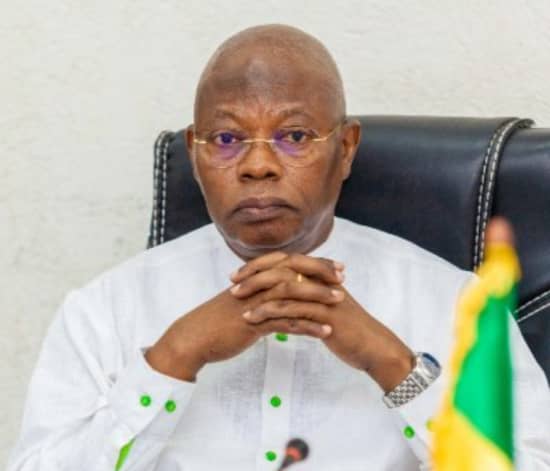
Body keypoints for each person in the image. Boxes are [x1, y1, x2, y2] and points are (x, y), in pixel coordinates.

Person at [8, 24, 550, 471]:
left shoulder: (456, 306)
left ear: (346, 149)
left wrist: (393, 364)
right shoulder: (105, 310)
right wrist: (171, 359)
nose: (258, 165)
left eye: (294, 137)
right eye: (226, 140)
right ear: (195, 154)